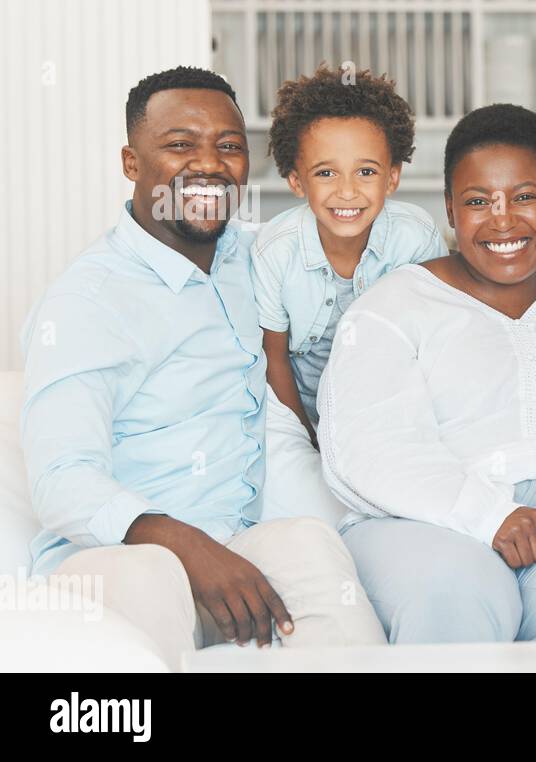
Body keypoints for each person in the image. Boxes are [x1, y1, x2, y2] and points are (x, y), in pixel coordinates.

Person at [20, 66, 385, 670]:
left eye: (228, 146)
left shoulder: (263, 258)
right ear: (132, 163)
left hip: (239, 542)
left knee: (309, 545)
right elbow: (62, 480)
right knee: (151, 576)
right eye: (180, 144)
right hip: (117, 556)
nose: (208, 163)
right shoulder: (86, 302)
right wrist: (183, 544)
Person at [319, 104, 536, 643]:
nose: (502, 219)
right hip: (421, 521)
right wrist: (489, 516)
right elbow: (368, 447)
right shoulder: (392, 306)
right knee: (456, 591)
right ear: (450, 209)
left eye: (525, 197)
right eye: (477, 201)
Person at [253, 66, 447, 524]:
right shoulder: (275, 252)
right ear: (296, 181)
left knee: (411, 492)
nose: (347, 191)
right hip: (298, 405)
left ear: (393, 178)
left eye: (366, 171)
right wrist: (310, 436)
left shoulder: (414, 237)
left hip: (389, 402)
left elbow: (433, 344)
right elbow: (274, 359)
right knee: (301, 494)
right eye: (325, 173)